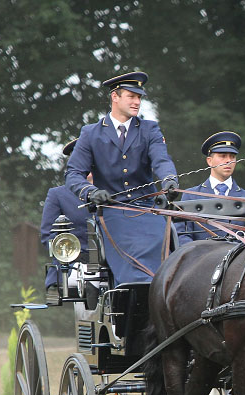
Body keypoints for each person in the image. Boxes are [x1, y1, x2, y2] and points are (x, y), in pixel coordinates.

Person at [65, 71, 179, 284]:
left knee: (161, 254)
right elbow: (73, 175)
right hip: (112, 212)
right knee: (128, 264)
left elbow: (161, 161)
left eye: (139, 97)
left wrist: (169, 179)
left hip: (147, 211)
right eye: (131, 96)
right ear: (114, 97)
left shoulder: (150, 129)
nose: (137, 102)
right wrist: (91, 192)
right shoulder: (91, 133)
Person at [175, 130, 245, 244]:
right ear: (209, 161)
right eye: (223, 156)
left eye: (232, 156)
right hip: (200, 259)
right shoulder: (191, 196)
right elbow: (182, 236)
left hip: (237, 261)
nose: (228, 161)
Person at [41, 138, 90, 289]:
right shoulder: (59, 195)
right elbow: (48, 236)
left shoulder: (119, 192)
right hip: (77, 267)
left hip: (119, 263)